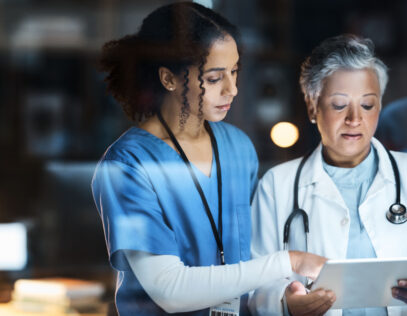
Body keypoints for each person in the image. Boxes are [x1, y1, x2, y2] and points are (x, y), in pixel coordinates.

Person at [91, 3, 327, 316]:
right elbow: (169, 290)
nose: (233, 89)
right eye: (214, 79)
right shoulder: (128, 163)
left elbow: (254, 262)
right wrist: (289, 261)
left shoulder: (238, 147)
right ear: (169, 78)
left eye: (235, 72)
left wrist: (287, 296)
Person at [249, 34, 407, 316]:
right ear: (312, 106)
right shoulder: (277, 185)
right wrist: (286, 303)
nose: (354, 119)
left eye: (367, 105)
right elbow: (254, 286)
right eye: (339, 105)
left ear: (380, 106)